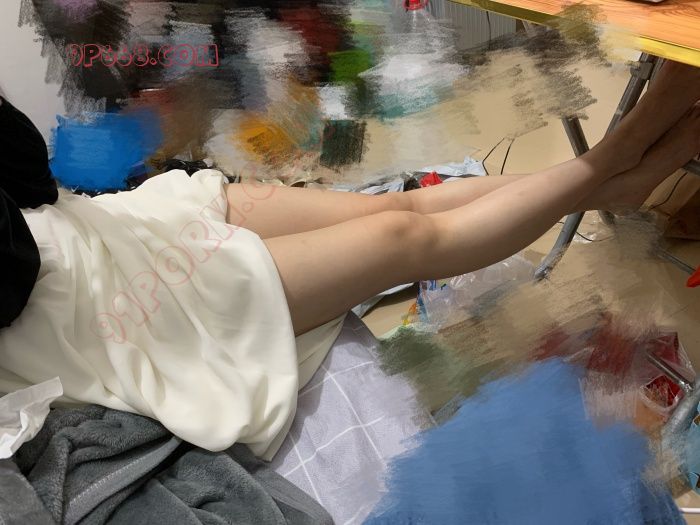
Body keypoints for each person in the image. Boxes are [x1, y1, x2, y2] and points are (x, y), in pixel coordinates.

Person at [1, 60, 699, 459]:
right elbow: (12, 272)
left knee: (397, 207)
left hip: (93, 225)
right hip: (70, 311)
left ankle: (618, 171)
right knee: (403, 240)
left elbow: (28, 172)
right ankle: (619, 157)